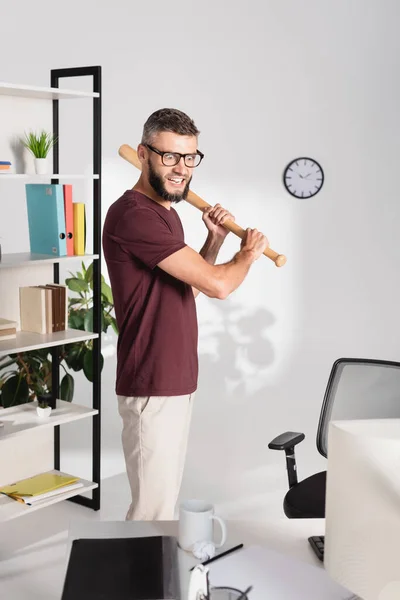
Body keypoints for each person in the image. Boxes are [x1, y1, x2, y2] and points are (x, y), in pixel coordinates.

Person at [102, 108, 269, 521]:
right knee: (151, 514)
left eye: (190, 157)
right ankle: (140, 584)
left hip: (174, 381)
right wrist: (247, 254)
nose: (182, 169)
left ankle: (156, 579)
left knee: (161, 507)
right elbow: (220, 285)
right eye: (169, 156)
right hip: (151, 382)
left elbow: (187, 290)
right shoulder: (134, 216)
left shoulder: (167, 215)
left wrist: (212, 242)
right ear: (142, 154)